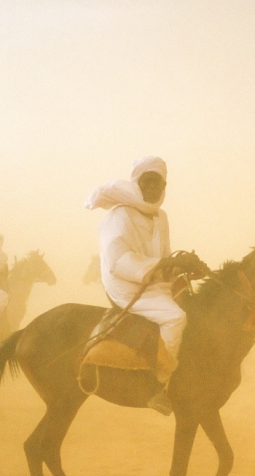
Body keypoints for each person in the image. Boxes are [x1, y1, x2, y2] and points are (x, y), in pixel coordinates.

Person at [86, 156, 186, 413]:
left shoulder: (161, 216)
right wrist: (159, 267)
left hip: (153, 280)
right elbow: (117, 259)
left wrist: (181, 266)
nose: (153, 188)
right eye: (147, 182)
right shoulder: (119, 215)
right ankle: (160, 385)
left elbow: (164, 255)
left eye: (158, 183)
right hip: (124, 282)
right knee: (176, 317)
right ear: (136, 183)